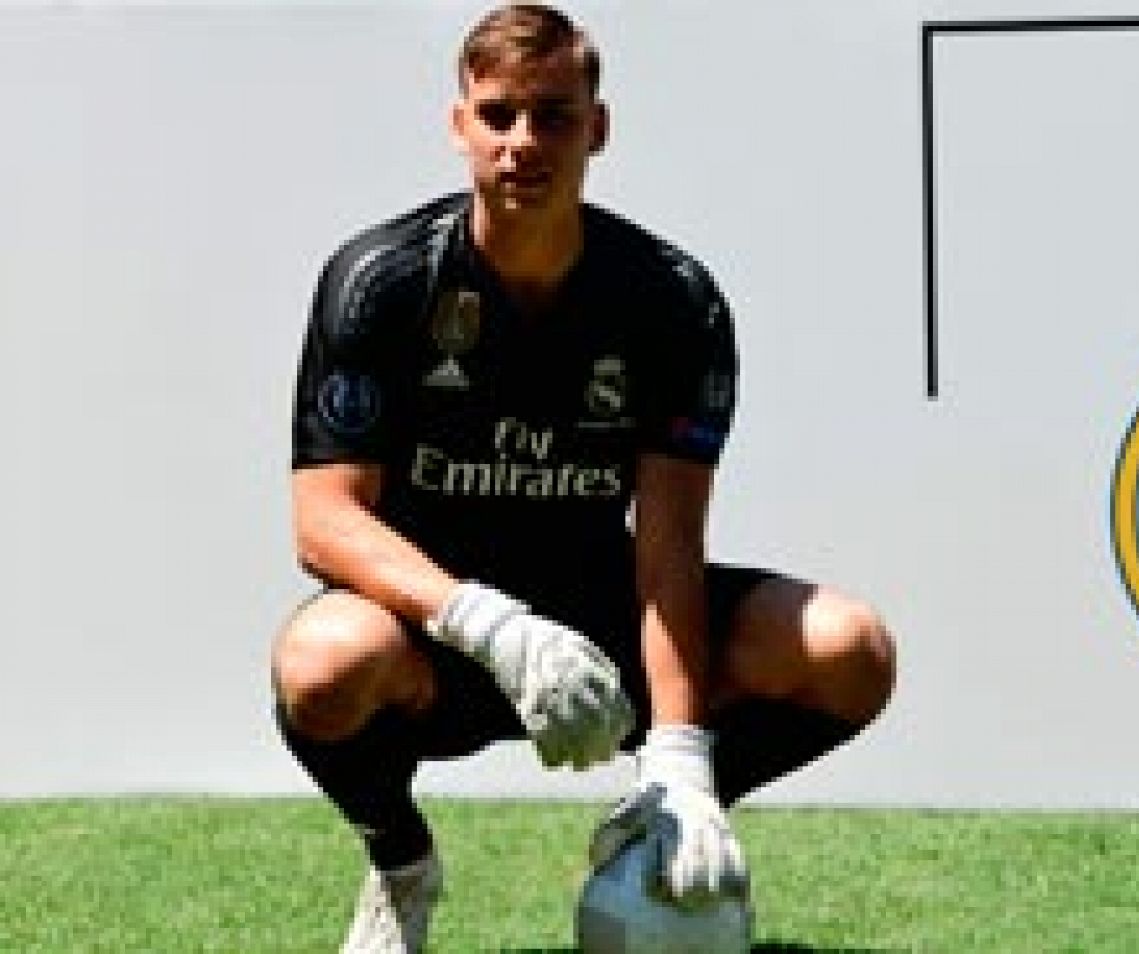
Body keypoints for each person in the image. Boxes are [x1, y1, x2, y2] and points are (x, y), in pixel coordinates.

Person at [271, 4, 897, 951]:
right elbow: (324, 523)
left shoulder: (672, 299)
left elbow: (670, 544)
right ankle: (401, 864)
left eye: (554, 116)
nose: (524, 142)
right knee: (319, 665)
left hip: (604, 628)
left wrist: (683, 761)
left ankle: (656, 823)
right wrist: (490, 625)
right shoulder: (380, 280)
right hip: (438, 637)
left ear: (597, 128)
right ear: (459, 125)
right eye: (499, 115)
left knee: (849, 650)